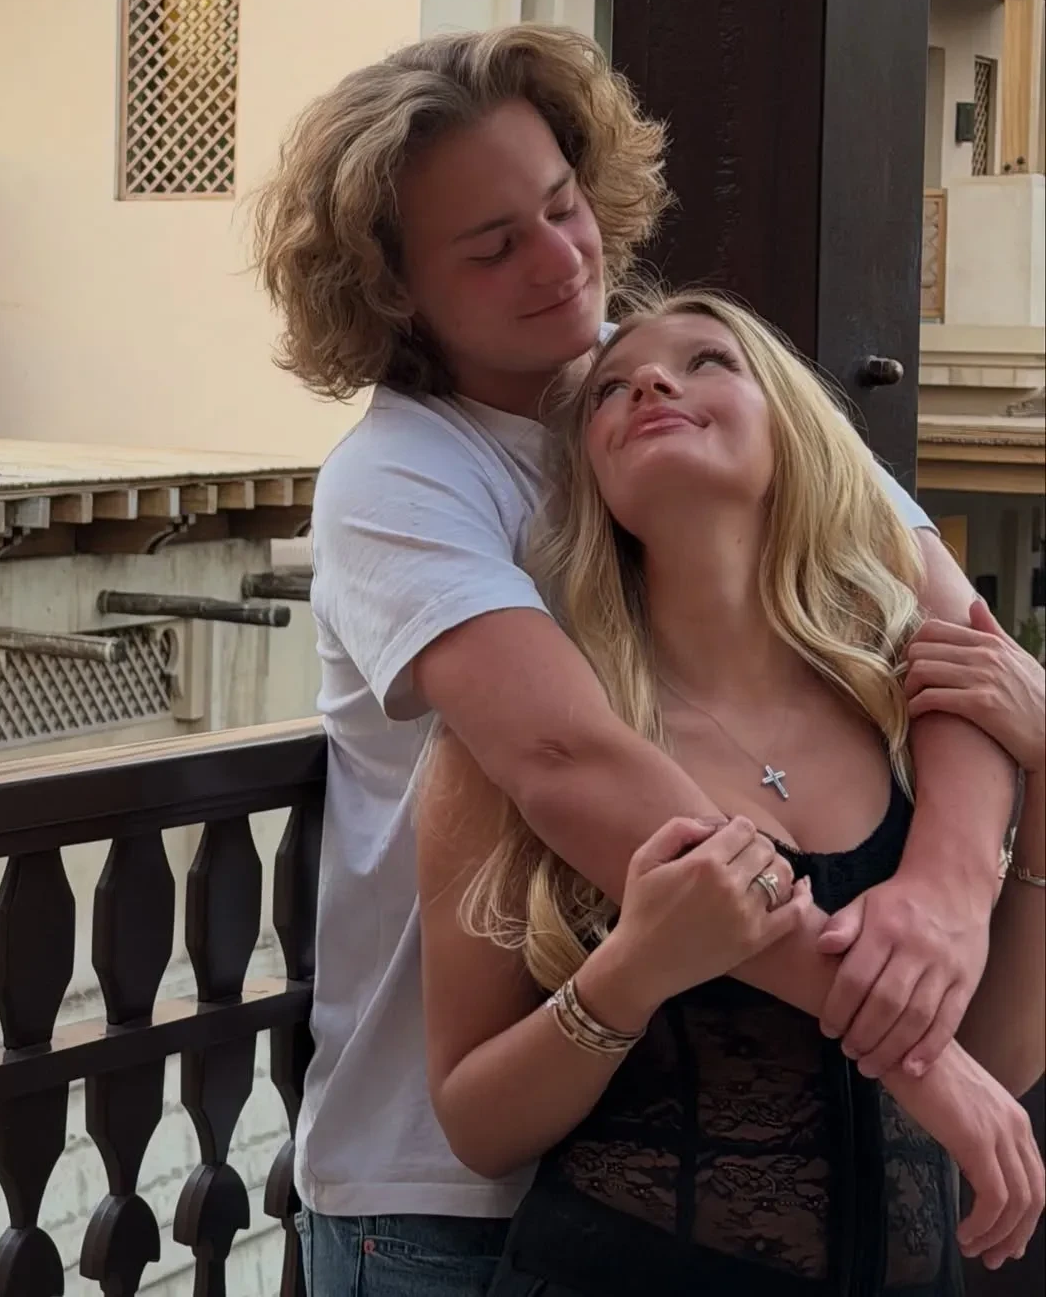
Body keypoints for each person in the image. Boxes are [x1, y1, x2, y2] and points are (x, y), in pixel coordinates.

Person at [251, 25, 1018, 1296]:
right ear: (393, 291)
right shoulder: (402, 476)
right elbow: (568, 757)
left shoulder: (680, 380)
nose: (560, 260)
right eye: (493, 246)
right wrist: (916, 1053)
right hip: (447, 1189)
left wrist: (946, 890)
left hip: (748, 1171)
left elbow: (964, 654)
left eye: (562, 207)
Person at [417, 292, 1045, 1296]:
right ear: (591, 478)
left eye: (707, 360)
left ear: (795, 430)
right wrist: (630, 973)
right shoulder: (521, 736)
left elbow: (999, 1064)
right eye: (609, 392)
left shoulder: (911, 710)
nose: (650, 382)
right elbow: (475, 1125)